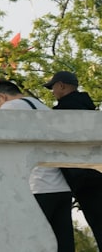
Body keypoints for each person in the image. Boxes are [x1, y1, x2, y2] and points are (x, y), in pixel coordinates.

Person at [0, 80, 74, 252]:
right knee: (63, 243)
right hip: (61, 187)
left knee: (29, 243)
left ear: (1, 97)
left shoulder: (9, 108)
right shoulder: (43, 107)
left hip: (37, 186)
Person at [44, 71, 102, 245]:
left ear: (62, 85)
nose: (52, 91)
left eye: (53, 87)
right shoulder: (89, 107)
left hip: (84, 179)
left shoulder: (62, 111)